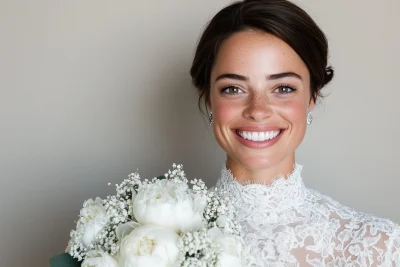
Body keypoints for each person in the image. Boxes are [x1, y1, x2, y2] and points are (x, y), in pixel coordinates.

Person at [190, 0, 400, 266]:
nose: (258, 110)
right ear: (209, 100)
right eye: (233, 89)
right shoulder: (140, 237)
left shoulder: (379, 248)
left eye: (283, 88)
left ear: (311, 96)